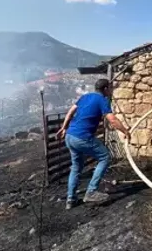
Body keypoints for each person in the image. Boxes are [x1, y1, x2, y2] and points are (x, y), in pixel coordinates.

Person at [56, 78, 130, 209]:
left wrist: (64, 127)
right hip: (82, 137)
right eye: (110, 88)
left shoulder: (85, 97)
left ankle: (70, 199)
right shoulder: (103, 100)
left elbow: (71, 111)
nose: (111, 90)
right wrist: (125, 131)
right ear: (105, 89)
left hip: (70, 136)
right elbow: (112, 120)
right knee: (105, 157)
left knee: (76, 167)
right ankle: (91, 191)